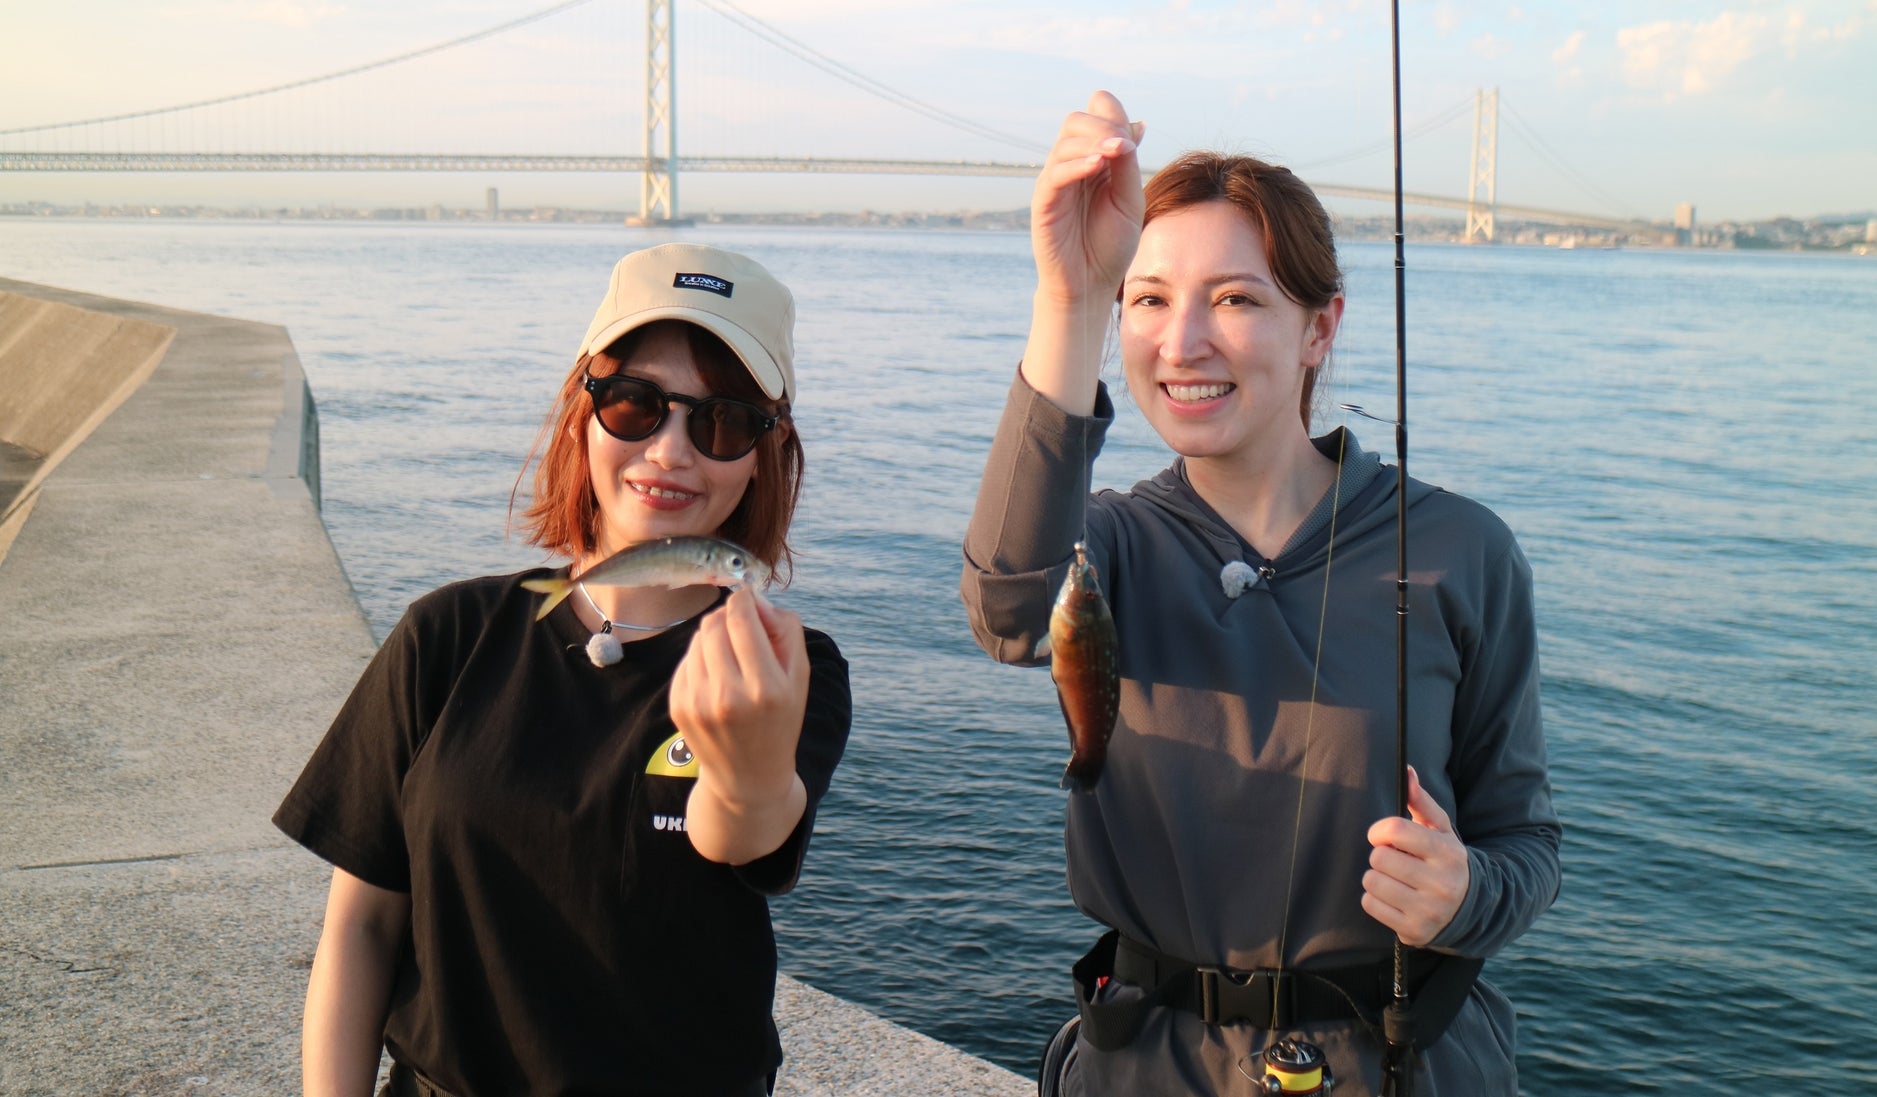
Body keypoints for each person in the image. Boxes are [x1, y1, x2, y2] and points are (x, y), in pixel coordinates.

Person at [961, 91, 1559, 1096]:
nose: (1182, 341)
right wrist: (1069, 298)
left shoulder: (1464, 549)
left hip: (1410, 1061)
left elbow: (1526, 844)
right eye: (1146, 299)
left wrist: (1462, 894)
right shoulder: (1105, 540)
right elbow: (1011, 607)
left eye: (1235, 299)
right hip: (1148, 1064)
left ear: (1321, 328)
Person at [275, 243, 851, 1097]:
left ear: (766, 452)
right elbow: (361, 924)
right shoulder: (446, 635)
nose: (671, 449)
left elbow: (743, 835)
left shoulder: (785, 666)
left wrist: (749, 765)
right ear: (581, 412)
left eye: (722, 419)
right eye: (633, 404)